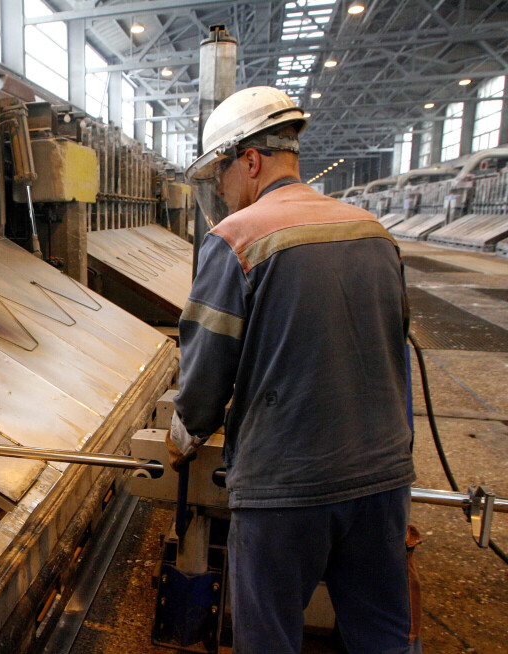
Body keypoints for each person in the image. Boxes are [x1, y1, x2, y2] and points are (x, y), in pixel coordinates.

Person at [167, 86, 418, 653]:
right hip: (381, 477)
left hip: (286, 488)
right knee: (384, 635)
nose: (224, 194)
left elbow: (206, 369)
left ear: (249, 160)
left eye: (222, 175)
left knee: (269, 640)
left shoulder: (237, 239)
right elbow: (394, 353)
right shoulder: (374, 234)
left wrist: (182, 437)